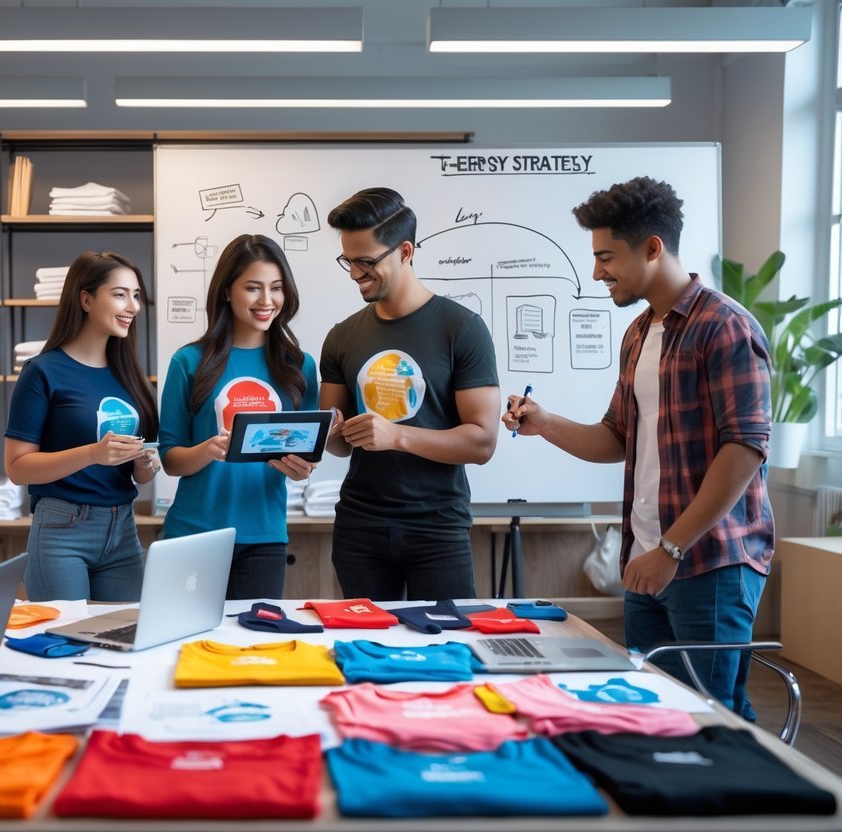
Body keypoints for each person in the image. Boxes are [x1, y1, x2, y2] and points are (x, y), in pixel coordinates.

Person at [503, 176, 774, 718]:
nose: (598, 272)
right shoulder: (639, 333)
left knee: (710, 718)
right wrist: (546, 423)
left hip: (706, 563)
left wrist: (670, 550)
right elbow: (617, 438)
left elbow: (743, 450)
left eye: (606, 257)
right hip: (647, 561)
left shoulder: (724, 327)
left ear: (652, 248)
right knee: (653, 709)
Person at [320, 187, 501, 601]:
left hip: (438, 529)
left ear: (405, 251)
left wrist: (397, 436)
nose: (354, 274)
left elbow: (482, 441)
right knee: (363, 651)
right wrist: (314, 438)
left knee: (447, 650)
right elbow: (337, 442)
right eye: (348, 261)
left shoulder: (463, 329)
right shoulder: (341, 337)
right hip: (359, 528)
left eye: (366, 262)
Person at [160, 234, 319, 599]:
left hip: (264, 536)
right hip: (193, 535)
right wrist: (210, 449)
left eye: (276, 288)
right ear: (227, 292)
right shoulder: (188, 362)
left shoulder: (300, 366)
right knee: (184, 649)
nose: (267, 301)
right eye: (253, 288)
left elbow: (306, 455)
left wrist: (303, 467)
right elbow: (170, 459)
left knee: (254, 647)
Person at [5, 250, 159, 602]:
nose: (133, 306)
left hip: (123, 529)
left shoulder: (130, 376)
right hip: (62, 530)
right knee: (60, 646)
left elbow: (140, 477)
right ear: (86, 299)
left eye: (136, 295)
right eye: (120, 294)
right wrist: (93, 453)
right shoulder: (42, 372)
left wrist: (145, 465)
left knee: (128, 640)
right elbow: (16, 468)